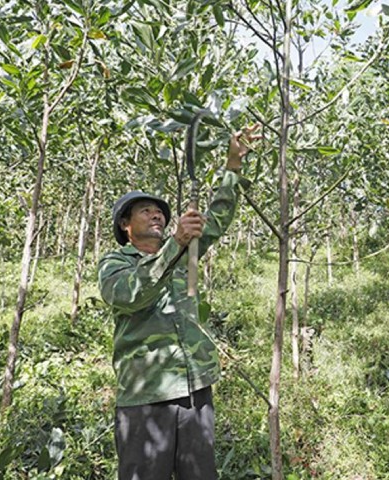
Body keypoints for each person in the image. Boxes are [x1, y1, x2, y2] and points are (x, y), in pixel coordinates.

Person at [98, 126, 260, 480]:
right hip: (145, 395)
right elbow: (129, 295)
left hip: (194, 388)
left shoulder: (184, 254)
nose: (157, 215)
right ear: (125, 225)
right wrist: (175, 244)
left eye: (160, 212)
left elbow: (217, 217)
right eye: (145, 211)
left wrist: (233, 165)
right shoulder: (116, 263)